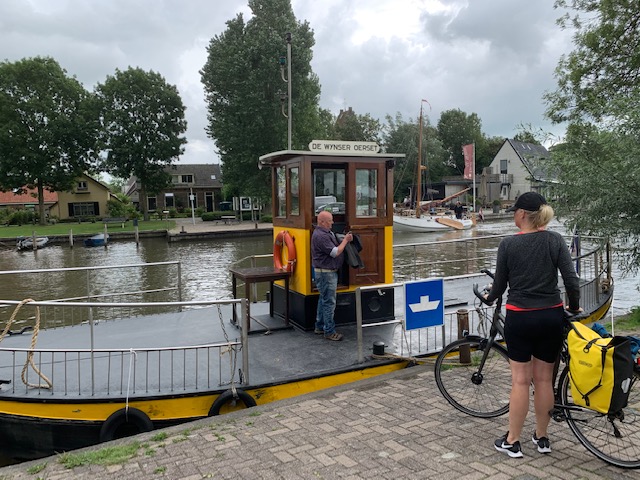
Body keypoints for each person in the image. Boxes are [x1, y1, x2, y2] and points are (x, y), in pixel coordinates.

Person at [485, 192, 581, 459]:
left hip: (520, 317)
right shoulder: (554, 240)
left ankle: (512, 441)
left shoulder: (508, 245)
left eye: (515, 211)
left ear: (522, 215)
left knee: (520, 380)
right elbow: (571, 281)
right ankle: (542, 437)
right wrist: (573, 306)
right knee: (542, 381)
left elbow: (499, 286)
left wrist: (488, 297)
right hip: (550, 315)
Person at [311, 210, 353, 341]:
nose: (332, 223)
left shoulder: (323, 233)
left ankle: (319, 326)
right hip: (326, 274)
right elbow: (335, 252)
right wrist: (345, 240)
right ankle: (329, 331)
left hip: (324, 273)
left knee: (323, 300)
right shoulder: (321, 236)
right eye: (330, 221)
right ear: (322, 222)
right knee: (329, 302)